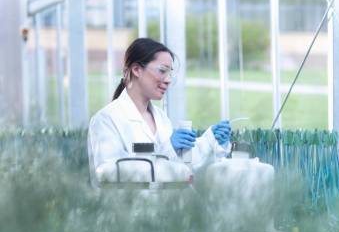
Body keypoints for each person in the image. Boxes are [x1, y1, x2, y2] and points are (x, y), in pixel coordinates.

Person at [87, 38, 231, 185]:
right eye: (162, 71)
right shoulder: (107, 119)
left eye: (170, 73)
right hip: (129, 207)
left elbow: (178, 165)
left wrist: (210, 141)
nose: (168, 80)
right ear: (136, 69)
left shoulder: (161, 118)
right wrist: (167, 148)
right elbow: (108, 172)